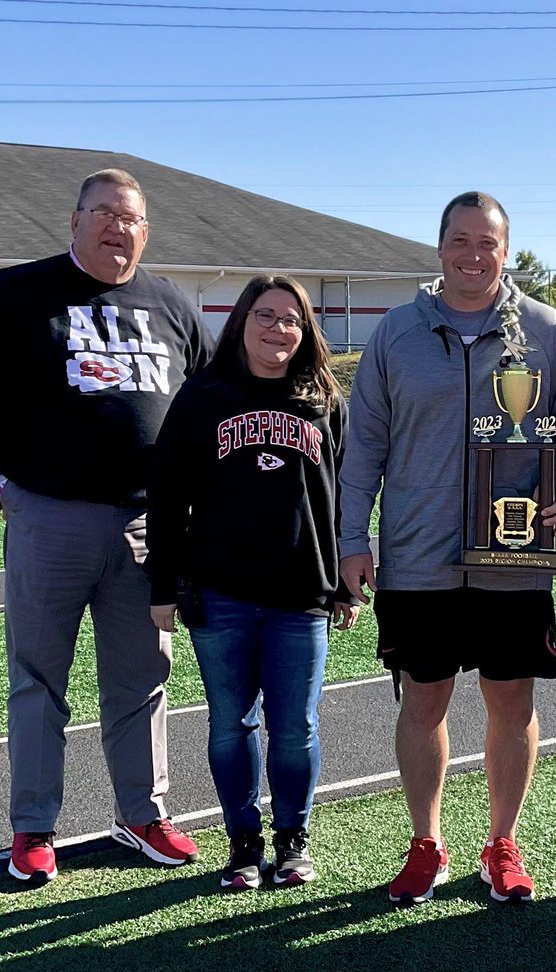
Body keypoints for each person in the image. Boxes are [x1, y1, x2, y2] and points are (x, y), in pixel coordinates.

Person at [0, 169, 212, 885]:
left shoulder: (172, 302)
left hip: (147, 523)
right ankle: (34, 827)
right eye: (105, 214)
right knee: (38, 679)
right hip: (50, 517)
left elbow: (212, 393)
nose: (119, 228)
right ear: (75, 220)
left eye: (133, 219)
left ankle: (142, 814)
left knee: (144, 677)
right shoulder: (17, 292)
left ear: (147, 232)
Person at [339, 191, 556, 905]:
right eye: (461, 240)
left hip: (511, 555)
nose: (473, 254)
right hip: (417, 556)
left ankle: (502, 841)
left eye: (488, 242)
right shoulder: (395, 333)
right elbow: (364, 448)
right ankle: (428, 842)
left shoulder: (542, 328)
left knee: (510, 700)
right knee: (424, 699)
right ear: (440, 247)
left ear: (506, 251)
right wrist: (352, 538)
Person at [145, 275, 357, 891]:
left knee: (296, 727)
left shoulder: (325, 402)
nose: (278, 329)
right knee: (229, 724)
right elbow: (166, 497)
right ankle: (242, 842)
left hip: (301, 594)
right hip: (221, 592)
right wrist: (165, 584)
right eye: (265, 316)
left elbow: (343, 501)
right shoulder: (203, 396)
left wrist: (343, 582)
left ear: (306, 330)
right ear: (241, 322)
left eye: (291, 319)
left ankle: (293, 841)